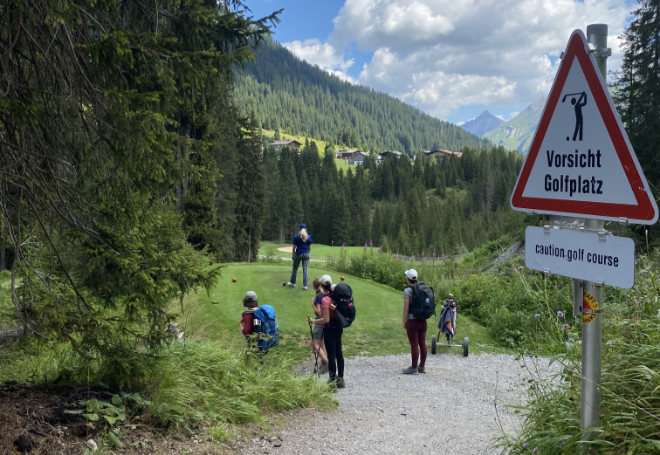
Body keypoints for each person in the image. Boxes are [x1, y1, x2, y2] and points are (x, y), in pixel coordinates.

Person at [307, 274, 345, 388]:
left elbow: (326, 319)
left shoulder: (325, 300)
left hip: (329, 329)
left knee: (332, 355)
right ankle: (341, 380)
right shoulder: (336, 295)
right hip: (339, 328)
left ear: (321, 286)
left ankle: (332, 382)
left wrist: (313, 321)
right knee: (339, 353)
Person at [402, 269, 427, 374]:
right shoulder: (422, 288)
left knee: (414, 344)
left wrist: (404, 320)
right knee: (422, 342)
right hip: (423, 320)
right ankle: (421, 366)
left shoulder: (407, 291)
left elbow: (406, 307)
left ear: (408, 278)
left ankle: (413, 368)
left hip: (413, 321)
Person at [310, 278, 329, 373]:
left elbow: (319, 311)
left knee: (314, 344)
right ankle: (325, 364)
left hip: (319, 321)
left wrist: (313, 305)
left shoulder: (318, 297)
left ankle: (325, 362)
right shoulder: (324, 295)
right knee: (322, 343)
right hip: (325, 322)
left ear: (314, 287)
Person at [287, 223, 312, 290]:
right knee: (305, 269)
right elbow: (309, 248)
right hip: (306, 254)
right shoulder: (309, 237)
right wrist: (307, 253)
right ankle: (305, 285)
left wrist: (293, 256)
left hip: (298, 254)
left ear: (300, 229)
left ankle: (292, 282)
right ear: (306, 229)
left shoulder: (296, 237)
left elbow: (294, 248)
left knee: (295, 268)